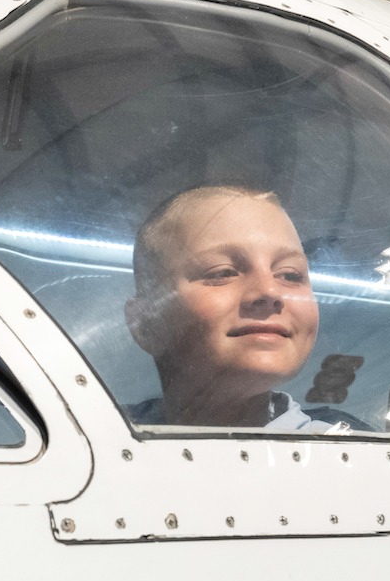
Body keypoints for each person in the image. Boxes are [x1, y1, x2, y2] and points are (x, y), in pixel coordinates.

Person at [121, 184, 354, 431]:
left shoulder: (348, 450)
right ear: (145, 323)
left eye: (290, 275)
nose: (270, 291)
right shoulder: (99, 439)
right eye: (223, 273)